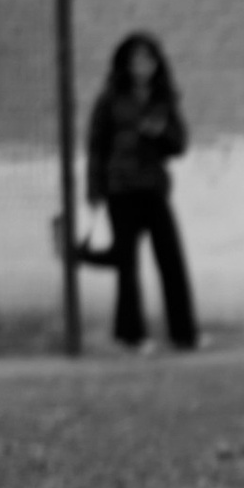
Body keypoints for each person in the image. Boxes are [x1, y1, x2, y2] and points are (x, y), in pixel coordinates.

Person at [84, 34, 197, 352]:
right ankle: (131, 335)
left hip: (154, 188)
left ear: (157, 63)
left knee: (171, 261)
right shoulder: (110, 99)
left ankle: (184, 334)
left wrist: (161, 132)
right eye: (135, 60)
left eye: (148, 59)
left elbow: (180, 144)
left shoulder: (164, 99)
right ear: (125, 64)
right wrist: (93, 189)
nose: (142, 66)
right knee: (127, 265)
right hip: (120, 188)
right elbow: (96, 146)